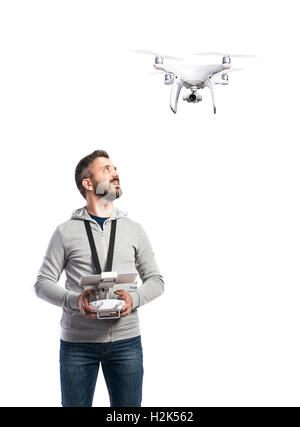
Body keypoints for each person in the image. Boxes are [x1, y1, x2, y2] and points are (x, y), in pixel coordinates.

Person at [34, 149, 164, 407]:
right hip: (77, 345)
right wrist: (75, 300)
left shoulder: (134, 229)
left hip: (127, 342)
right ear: (88, 183)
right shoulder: (65, 231)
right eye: (106, 169)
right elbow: (42, 283)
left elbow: (156, 281)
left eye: (115, 168)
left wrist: (134, 298)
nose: (115, 173)